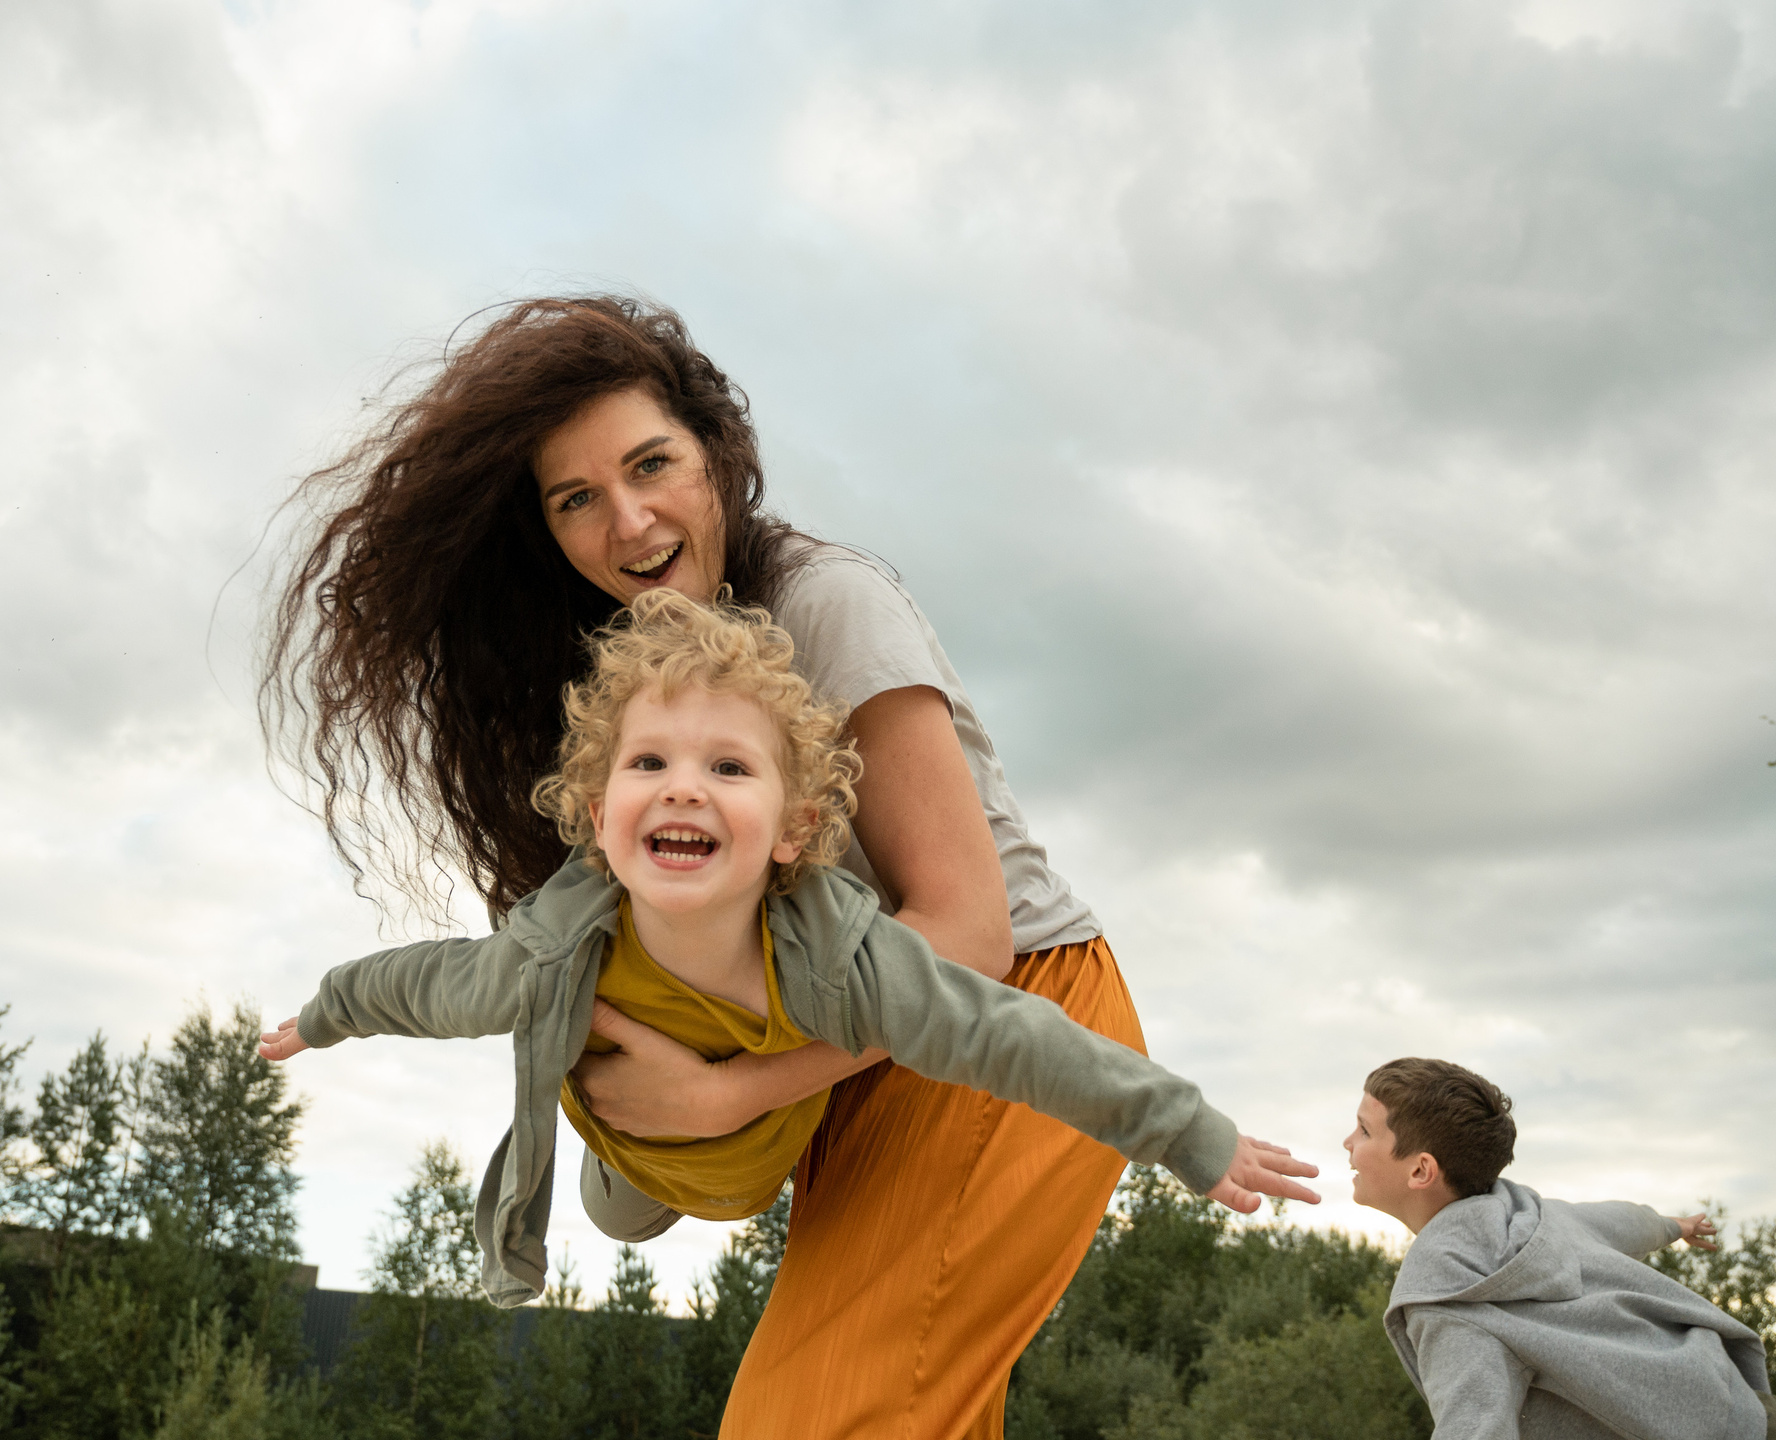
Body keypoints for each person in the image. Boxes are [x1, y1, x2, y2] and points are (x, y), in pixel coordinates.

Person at [260, 294, 1315, 1437]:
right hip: (865, 1046)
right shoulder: (647, 679)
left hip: (1011, 1004)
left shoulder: (824, 603)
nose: (629, 521)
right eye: (577, 500)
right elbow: (495, 966)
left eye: (652, 464)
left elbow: (968, 929)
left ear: (717, 456)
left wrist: (725, 1093)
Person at [257, 591, 1310, 1297]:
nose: (682, 784)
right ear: (594, 807)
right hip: (635, 1151)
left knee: (849, 1085)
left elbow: (1017, 1040)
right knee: (619, 1220)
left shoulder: (843, 955)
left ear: (795, 829)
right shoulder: (552, 949)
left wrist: (1186, 1134)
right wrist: (326, 1013)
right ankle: (621, 1175)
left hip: (766, 1149)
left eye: (728, 769)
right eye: (650, 763)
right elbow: (426, 984)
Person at [1346, 1057, 1776, 1440]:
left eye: (1364, 1131)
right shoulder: (1531, 1217)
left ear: (1421, 1171)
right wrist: (1673, 1226)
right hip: (1745, 1406)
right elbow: (1623, 1221)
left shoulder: (1449, 1304)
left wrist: (1670, 1226)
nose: (1347, 1142)